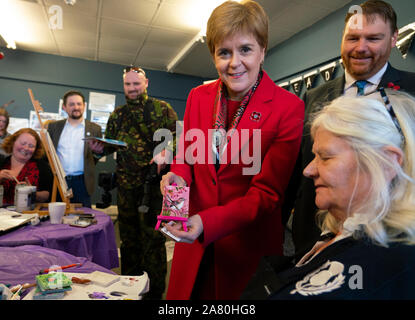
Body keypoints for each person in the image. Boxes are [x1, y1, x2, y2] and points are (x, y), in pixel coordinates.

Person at [161, 0, 304, 300]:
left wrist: (206, 221)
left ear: (263, 50)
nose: (234, 62)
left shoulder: (288, 108)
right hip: (192, 245)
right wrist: (177, 176)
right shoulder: (198, 96)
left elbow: (267, 195)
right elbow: (187, 154)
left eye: (245, 50)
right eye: (224, 52)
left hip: (246, 251)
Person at [286, 0, 415, 255]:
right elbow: (298, 170)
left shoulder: (412, 91)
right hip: (314, 239)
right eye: (352, 38)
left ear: (393, 38)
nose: (360, 48)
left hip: (391, 244)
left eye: (373, 38)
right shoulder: (313, 96)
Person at [270, 90, 415, 299]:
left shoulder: (385, 261)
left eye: (326, 157)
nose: (308, 170)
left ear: (387, 162)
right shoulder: (345, 233)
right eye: (314, 156)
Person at [92, 66, 178, 299]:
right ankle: (129, 291)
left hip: (152, 188)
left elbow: (177, 139)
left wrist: (165, 151)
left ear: (146, 83)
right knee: (129, 241)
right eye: (128, 85)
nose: (132, 88)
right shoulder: (117, 115)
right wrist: (98, 149)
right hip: (126, 188)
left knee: (152, 240)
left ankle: (155, 293)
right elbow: (109, 145)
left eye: (136, 84)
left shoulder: (162, 109)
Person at [47, 90, 102, 208]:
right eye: (71, 104)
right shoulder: (54, 127)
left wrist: (97, 153)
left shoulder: (95, 129)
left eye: (79, 104)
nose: (76, 107)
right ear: (64, 107)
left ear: (84, 106)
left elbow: (96, 158)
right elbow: (47, 154)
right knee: (57, 219)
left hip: (83, 183)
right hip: (59, 182)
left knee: (84, 221)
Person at [0, 128, 53, 205]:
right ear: (13, 142)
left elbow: (47, 195)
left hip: (29, 214)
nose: (26, 148)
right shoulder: (1, 163)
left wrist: (32, 192)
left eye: (31, 146)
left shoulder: (43, 167)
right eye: (23, 143)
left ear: (36, 149)